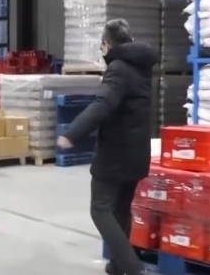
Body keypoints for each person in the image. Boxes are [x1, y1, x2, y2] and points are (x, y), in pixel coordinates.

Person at [56, 18, 157, 275]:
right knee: (121, 210)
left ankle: (133, 269)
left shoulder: (118, 68)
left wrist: (72, 133)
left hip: (116, 154)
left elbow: (103, 103)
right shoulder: (141, 66)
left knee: (100, 209)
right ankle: (117, 266)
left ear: (107, 44)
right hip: (136, 152)